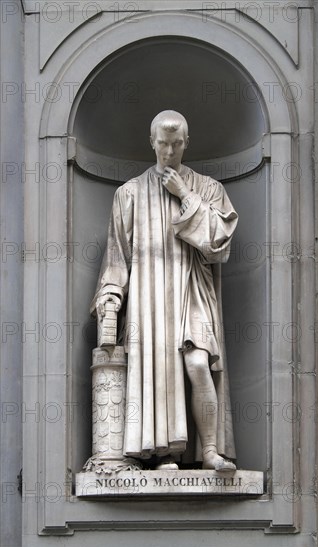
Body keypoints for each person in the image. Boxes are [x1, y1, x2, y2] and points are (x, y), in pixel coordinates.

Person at [91, 111, 238, 471]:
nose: (168, 151)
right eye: (162, 143)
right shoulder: (129, 193)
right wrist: (111, 296)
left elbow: (218, 244)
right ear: (151, 142)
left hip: (193, 288)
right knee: (161, 372)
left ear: (186, 143)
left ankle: (210, 451)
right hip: (150, 297)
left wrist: (185, 194)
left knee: (199, 363)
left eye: (175, 144)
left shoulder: (208, 188)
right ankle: (165, 454)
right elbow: (117, 256)